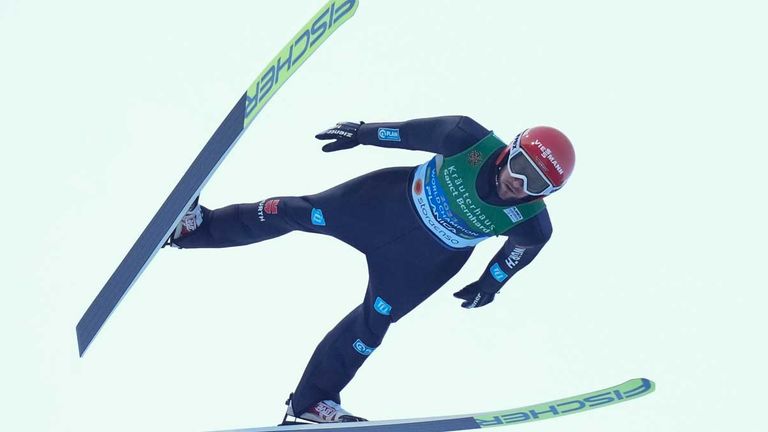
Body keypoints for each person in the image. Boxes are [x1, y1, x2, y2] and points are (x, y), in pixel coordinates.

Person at [168, 116, 575, 424]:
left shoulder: (533, 223)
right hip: (382, 204)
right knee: (295, 212)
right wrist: (361, 132)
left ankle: (311, 402)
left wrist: (489, 285)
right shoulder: (466, 138)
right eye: (519, 166)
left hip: (423, 261)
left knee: (373, 324)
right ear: (509, 150)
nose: (518, 184)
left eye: (535, 185)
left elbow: (517, 254)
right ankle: (195, 227)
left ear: (546, 195)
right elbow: (406, 134)